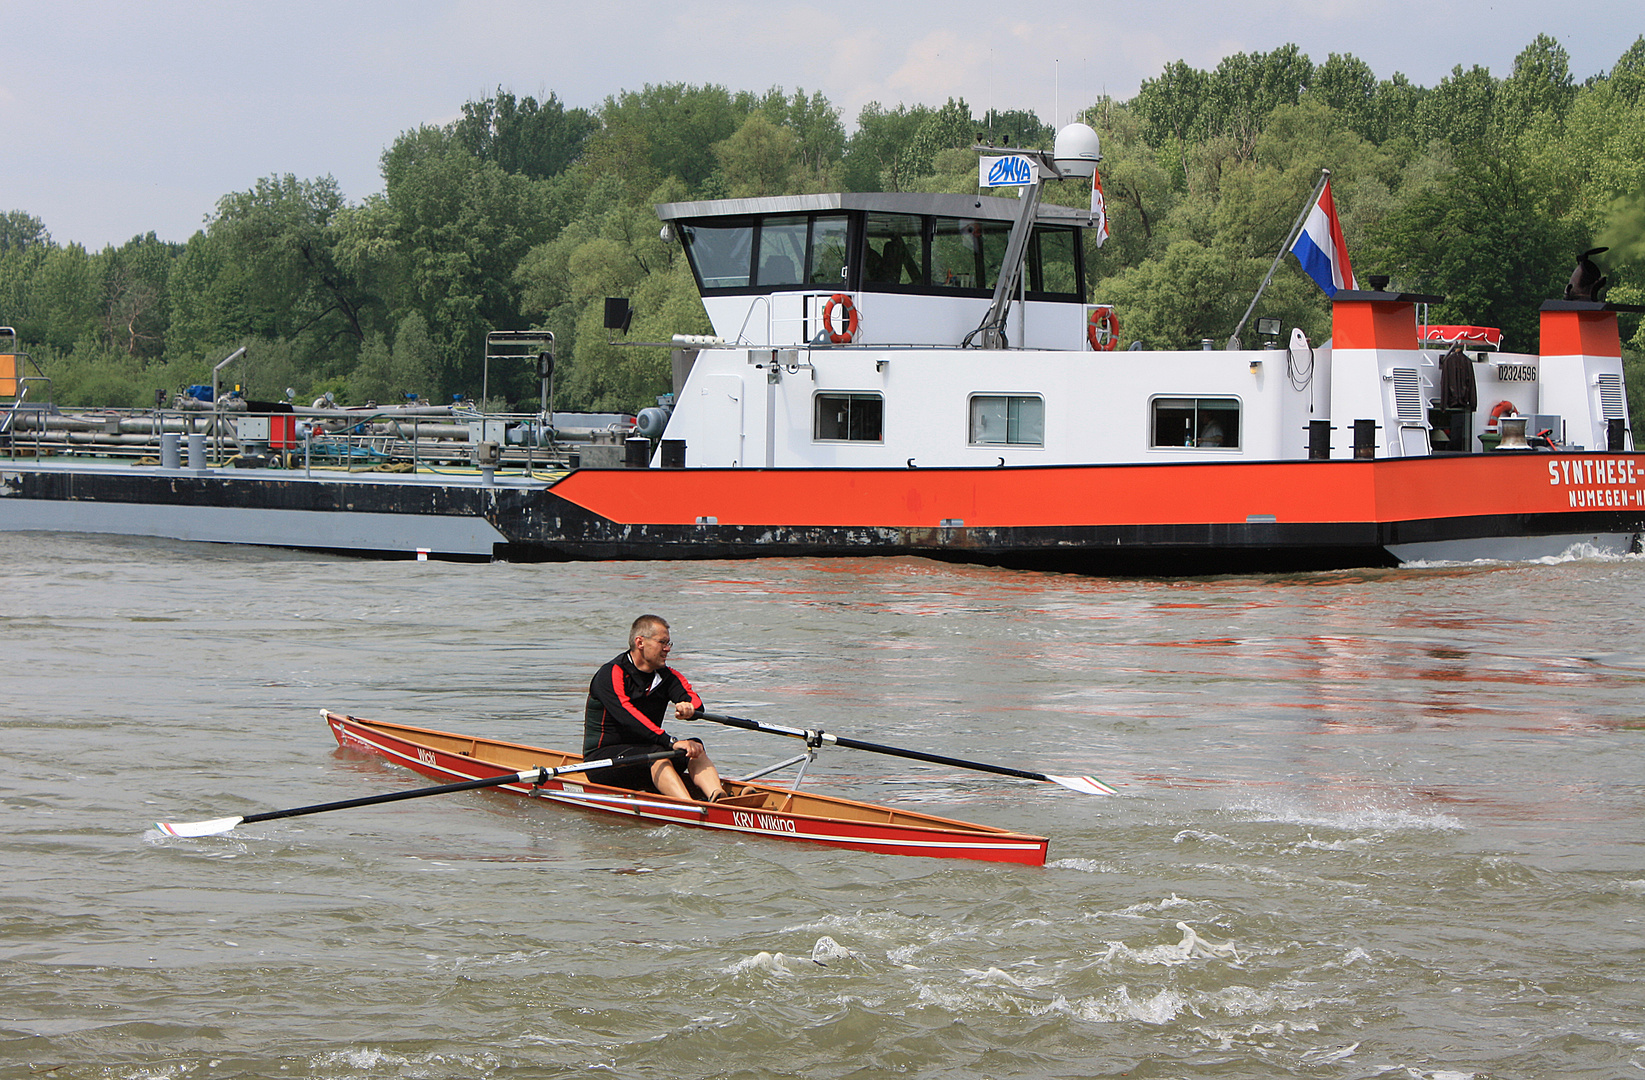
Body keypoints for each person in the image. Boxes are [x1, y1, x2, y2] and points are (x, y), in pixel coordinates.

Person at [583, 614, 730, 802]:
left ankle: (718, 798)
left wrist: (688, 707)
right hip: (603, 761)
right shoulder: (611, 673)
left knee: (695, 747)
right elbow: (627, 715)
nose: (667, 649)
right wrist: (670, 742)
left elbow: (696, 703)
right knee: (657, 756)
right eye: (662, 642)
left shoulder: (667, 676)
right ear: (640, 642)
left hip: (645, 755)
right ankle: (690, 808)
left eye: (669, 643)